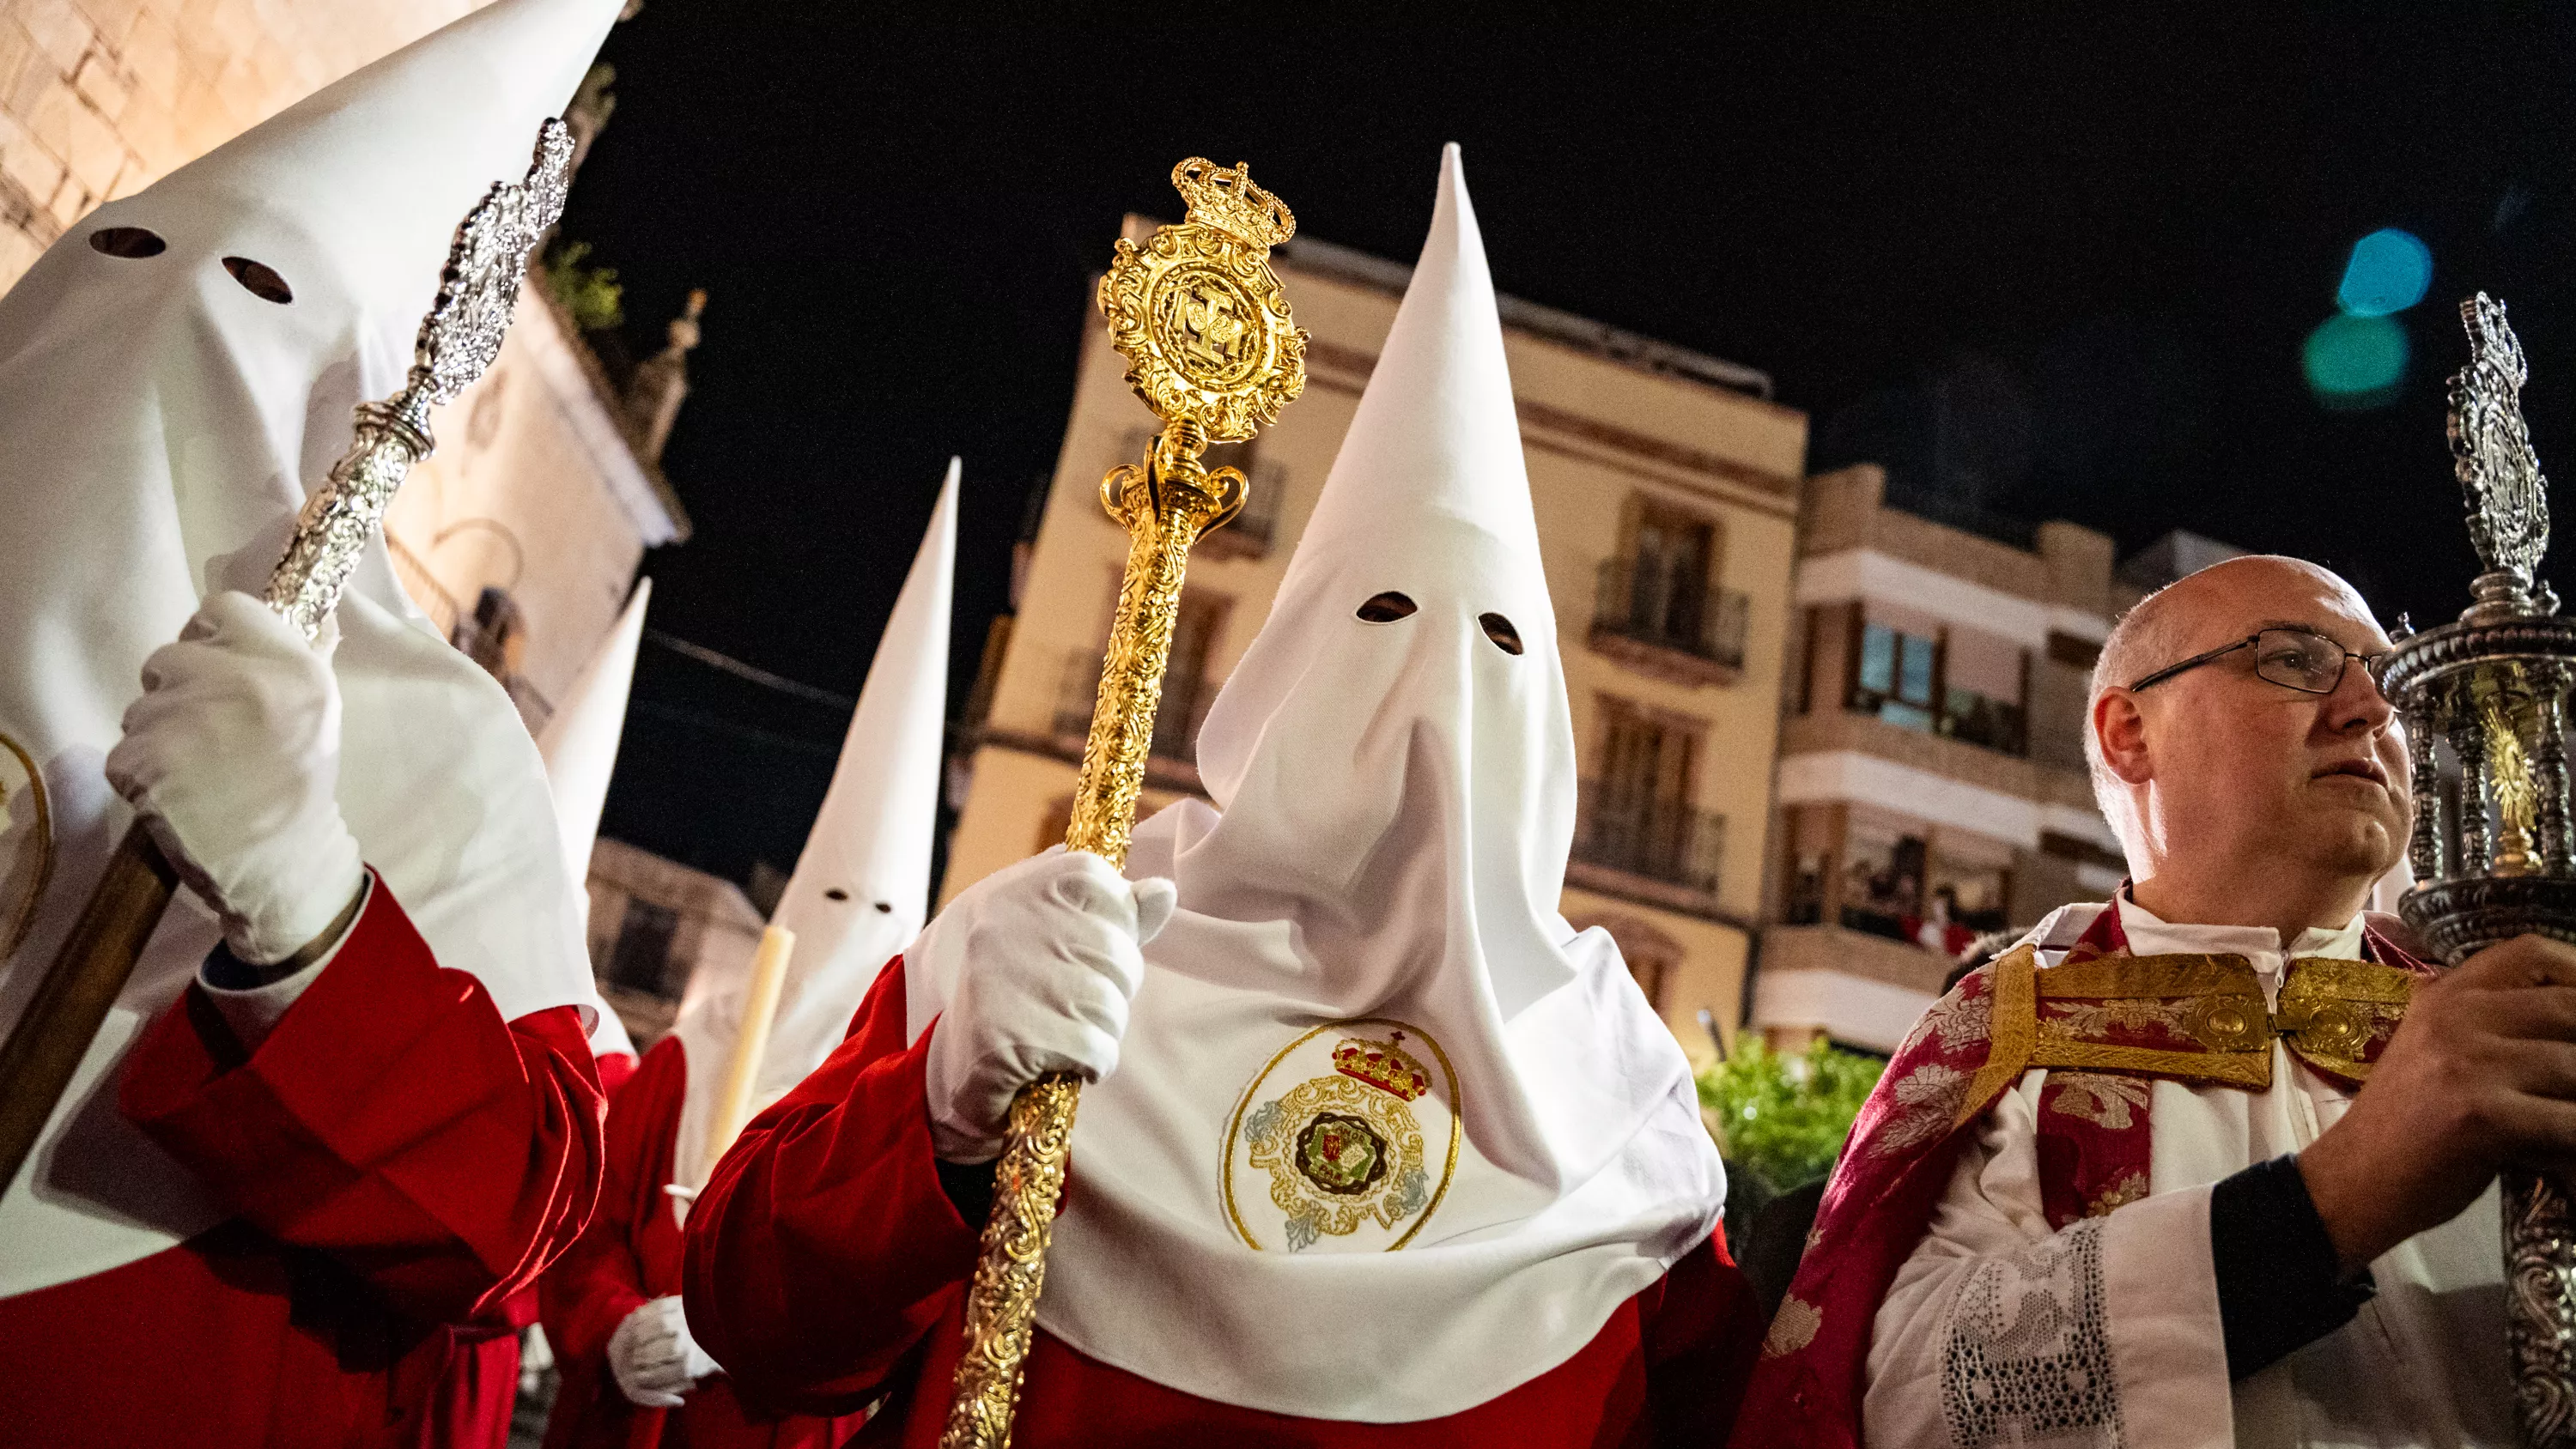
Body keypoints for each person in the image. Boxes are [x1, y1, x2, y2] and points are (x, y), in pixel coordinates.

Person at [680, 145, 1759, 1446]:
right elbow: (758, 1316)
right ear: (1288, 665)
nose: (1433, 691)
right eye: (1381, 616)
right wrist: (942, 1101)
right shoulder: (1054, 942)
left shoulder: (1621, 1088)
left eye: (1495, 644)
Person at [0, 1, 627, 1442]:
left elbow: (509, 1225)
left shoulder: (440, 746)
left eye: (260, 291)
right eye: (128, 256)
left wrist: (306, 905)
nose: (177, 312)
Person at [1734, 555, 2554, 1449]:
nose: (2369, 709)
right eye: (2294, 659)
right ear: (2130, 732)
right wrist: (2331, 1202)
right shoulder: (2009, 1034)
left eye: (2389, 681)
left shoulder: (2508, 1024)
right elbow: (1910, 1395)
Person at [539, 468, 955, 1449]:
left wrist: (759, 1326)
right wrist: (616, 1323)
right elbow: (583, 1238)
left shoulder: (908, 1101)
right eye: (838, 900)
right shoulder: (686, 1061)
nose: (856, 929)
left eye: (884, 913)